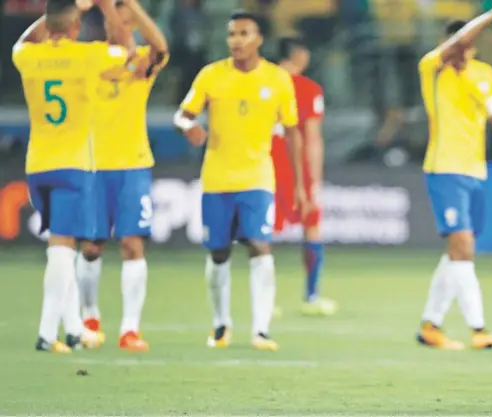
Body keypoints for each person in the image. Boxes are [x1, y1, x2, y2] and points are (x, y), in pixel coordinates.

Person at [173, 11, 307, 351]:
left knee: (260, 246)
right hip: (217, 179)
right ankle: (221, 325)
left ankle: (261, 330)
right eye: (232, 34)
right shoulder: (211, 75)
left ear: (259, 39)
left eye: (244, 33)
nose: (236, 40)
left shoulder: (277, 80)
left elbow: (293, 133)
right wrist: (189, 126)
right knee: (218, 252)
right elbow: (182, 113)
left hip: (258, 177)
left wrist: (301, 185)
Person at [12, 0, 134, 352]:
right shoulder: (88, 56)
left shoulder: (30, 58)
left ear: (49, 27)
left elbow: (22, 42)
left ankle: (73, 330)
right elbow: (127, 50)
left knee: (59, 248)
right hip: (74, 165)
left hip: (38, 165)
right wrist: (107, 9)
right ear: (76, 28)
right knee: (63, 249)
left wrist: (64, 11)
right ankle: (46, 335)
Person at [415, 0, 492, 350]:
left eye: (467, 46)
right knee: (463, 247)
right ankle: (478, 328)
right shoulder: (433, 67)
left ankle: (431, 325)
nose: (462, 51)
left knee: (457, 251)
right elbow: (454, 45)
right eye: (457, 45)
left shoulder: (484, 74)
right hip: (444, 168)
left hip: (474, 172)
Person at [74, 0, 169, 352]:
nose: (121, 20)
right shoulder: (89, 56)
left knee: (132, 244)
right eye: (116, 14)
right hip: (93, 165)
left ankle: (130, 329)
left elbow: (161, 47)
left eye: (127, 15)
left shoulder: (143, 60)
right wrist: (96, 7)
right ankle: (90, 317)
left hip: (133, 165)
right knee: (91, 246)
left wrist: (131, 7)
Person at [271, 37, 336, 316]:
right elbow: (312, 138)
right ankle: (311, 296)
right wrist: (315, 180)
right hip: (297, 168)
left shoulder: (262, 83)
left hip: (265, 164)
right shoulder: (308, 89)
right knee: (311, 227)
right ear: (299, 55)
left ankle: (266, 298)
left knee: (265, 233)